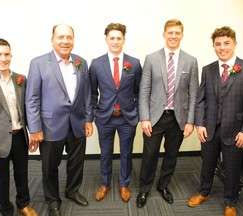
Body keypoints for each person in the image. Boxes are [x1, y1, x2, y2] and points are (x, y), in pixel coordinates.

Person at [187, 26, 243, 216]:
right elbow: (201, 100)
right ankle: (204, 191)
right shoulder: (208, 69)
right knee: (207, 163)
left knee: (232, 167)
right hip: (209, 128)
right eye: (218, 44)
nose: (222, 47)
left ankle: (230, 201)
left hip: (237, 131)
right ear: (213, 46)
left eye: (226, 43)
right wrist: (200, 124)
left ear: (234, 44)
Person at [25, 24, 93, 216]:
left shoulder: (81, 62)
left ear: (73, 39)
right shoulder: (38, 63)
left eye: (69, 37)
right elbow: (32, 98)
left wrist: (88, 119)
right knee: (49, 166)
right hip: (49, 126)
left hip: (77, 123)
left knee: (76, 162)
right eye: (61, 37)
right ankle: (53, 200)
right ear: (52, 39)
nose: (65, 41)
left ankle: (72, 191)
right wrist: (35, 129)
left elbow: (86, 93)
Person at [136, 19, 199, 208]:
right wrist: (144, 118)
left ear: (182, 35)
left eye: (177, 33)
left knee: (171, 155)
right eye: (170, 33)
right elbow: (144, 90)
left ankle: (163, 186)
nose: (173, 36)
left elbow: (194, 94)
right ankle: (144, 189)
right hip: (155, 117)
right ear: (164, 34)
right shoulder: (151, 58)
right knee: (149, 155)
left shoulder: (191, 61)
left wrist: (190, 121)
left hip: (178, 119)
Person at [0, 38, 38, 216]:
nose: (3, 58)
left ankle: (23, 204)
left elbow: (27, 110)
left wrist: (32, 134)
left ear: (11, 55)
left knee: (22, 175)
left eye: (6, 54)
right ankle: (6, 210)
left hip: (20, 138)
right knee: (1, 181)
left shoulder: (20, 79)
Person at [89, 23, 142, 202]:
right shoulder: (96, 64)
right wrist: (95, 113)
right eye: (112, 38)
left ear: (124, 40)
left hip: (127, 118)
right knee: (106, 153)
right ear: (106, 40)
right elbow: (91, 92)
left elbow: (138, 91)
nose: (115, 41)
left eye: (119, 38)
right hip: (105, 118)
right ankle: (105, 183)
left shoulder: (134, 63)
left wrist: (136, 113)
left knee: (126, 153)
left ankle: (124, 184)